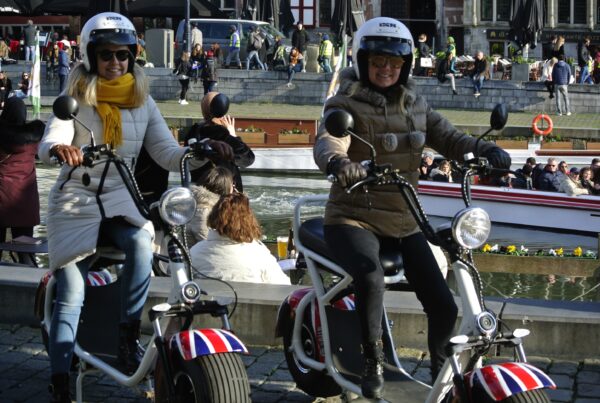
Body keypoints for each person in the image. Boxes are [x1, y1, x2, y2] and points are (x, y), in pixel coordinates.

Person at [37, 13, 233, 402]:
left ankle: (127, 337)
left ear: (132, 56)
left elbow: (166, 152)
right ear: (91, 56)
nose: (116, 62)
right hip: (75, 201)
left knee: (143, 242)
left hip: (120, 198)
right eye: (106, 54)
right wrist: (59, 149)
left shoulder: (142, 101)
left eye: (123, 55)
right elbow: (50, 137)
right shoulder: (76, 98)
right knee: (72, 291)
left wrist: (200, 152)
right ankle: (60, 379)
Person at [313, 16, 511, 398]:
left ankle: (442, 376)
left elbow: (449, 137)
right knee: (370, 277)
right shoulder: (343, 103)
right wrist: (339, 163)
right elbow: (328, 140)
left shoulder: (415, 104)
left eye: (394, 62)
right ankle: (371, 360)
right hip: (353, 217)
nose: (386, 69)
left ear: (405, 65)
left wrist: (484, 149)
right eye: (378, 62)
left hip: (405, 220)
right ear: (363, 61)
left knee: (443, 304)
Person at [190, 192, 291, 285]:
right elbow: (284, 286)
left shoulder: (194, 253)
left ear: (213, 217)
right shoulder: (258, 254)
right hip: (251, 299)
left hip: (208, 299)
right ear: (249, 221)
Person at [0, 98, 45, 265]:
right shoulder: (33, 138)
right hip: (26, 201)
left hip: (1, 199)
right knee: (26, 251)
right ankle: (32, 279)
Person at [185, 91, 255, 191]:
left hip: (200, 191)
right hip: (224, 192)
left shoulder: (193, 132)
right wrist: (233, 136)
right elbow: (248, 159)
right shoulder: (222, 135)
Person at [187, 166, 235, 245]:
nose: (233, 187)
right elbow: (207, 243)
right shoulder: (203, 212)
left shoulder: (198, 205)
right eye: (232, 184)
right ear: (224, 187)